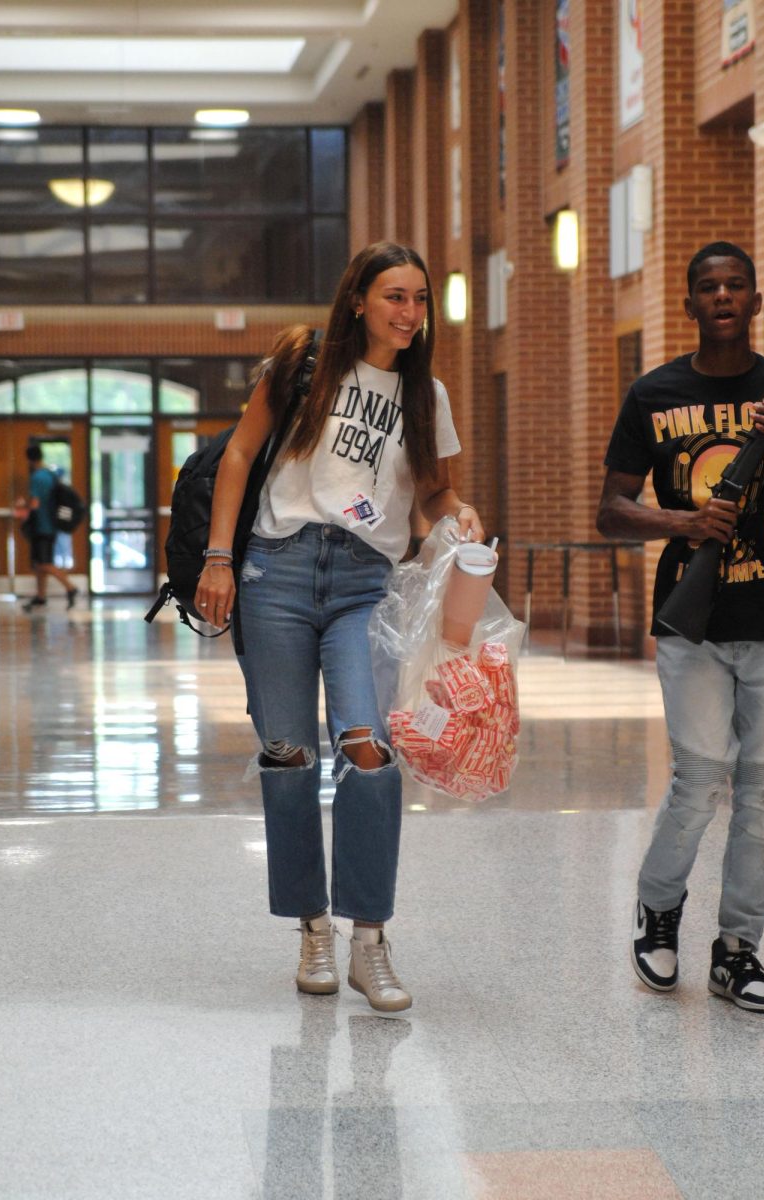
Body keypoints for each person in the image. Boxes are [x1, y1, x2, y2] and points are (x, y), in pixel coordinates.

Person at [195, 241, 484, 1013]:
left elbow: (431, 493)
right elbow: (239, 456)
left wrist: (453, 511)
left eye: (419, 300)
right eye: (395, 296)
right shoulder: (303, 364)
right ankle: (312, 928)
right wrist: (218, 557)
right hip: (278, 572)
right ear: (357, 299)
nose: (410, 313)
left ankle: (369, 940)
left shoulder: (427, 397)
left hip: (365, 582)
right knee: (287, 757)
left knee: (369, 751)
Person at [596, 241, 764, 1011]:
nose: (723, 296)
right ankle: (658, 911)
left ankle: (737, 949)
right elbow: (608, 511)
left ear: (756, 300)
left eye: (736, 284)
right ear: (689, 304)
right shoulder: (652, 393)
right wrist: (684, 518)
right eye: (708, 286)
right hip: (690, 620)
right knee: (700, 780)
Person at [22, 444, 78, 612]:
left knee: (44, 563)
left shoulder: (37, 477)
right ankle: (40, 596)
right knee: (39, 563)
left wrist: (24, 513)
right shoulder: (50, 474)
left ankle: (70, 587)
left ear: (30, 459)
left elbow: (35, 503)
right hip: (52, 525)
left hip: (42, 526)